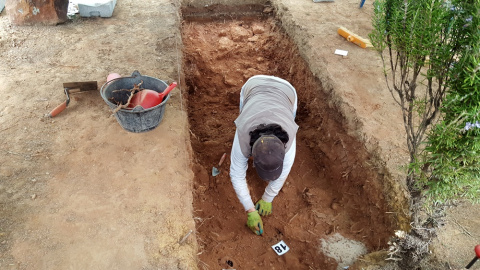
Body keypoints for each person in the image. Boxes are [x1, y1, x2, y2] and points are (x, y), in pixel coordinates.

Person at [229, 75, 298, 236]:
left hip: (287, 92)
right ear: (252, 155)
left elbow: (284, 172)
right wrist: (250, 209)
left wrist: (268, 198)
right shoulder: (243, 137)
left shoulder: (289, 143)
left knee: (287, 114)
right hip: (253, 86)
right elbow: (237, 174)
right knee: (244, 114)